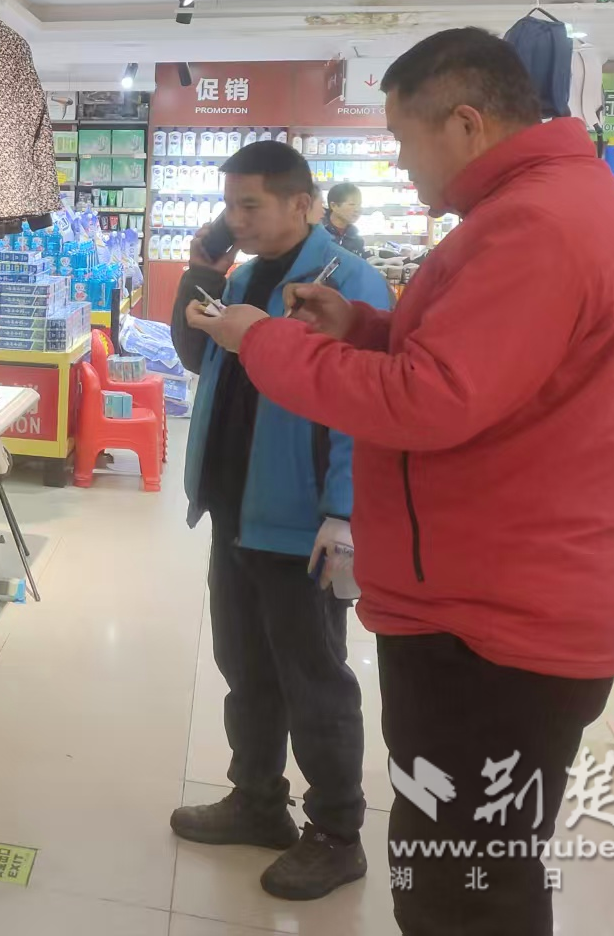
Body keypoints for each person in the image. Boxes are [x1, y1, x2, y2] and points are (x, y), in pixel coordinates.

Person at [188, 28, 614, 936]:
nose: (401, 166)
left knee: (464, 893)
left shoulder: (535, 225)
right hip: (482, 599)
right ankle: (261, 796)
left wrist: (268, 341)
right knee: (459, 874)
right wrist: (367, 330)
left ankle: (329, 826)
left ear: (468, 123)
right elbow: (481, 372)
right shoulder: (536, 210)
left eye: (405, 139)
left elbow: (428, 400)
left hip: (495, 624)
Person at [168, 140, 391, 901]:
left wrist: (345, 511)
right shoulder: (243, 275)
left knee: (314, 677)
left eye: (250, 205)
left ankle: (336, 832)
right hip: (235, 505)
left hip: (301, 520)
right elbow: (196, 358)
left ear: (302, 203)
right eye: (229, 204)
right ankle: (258, 798)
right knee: (245, 664)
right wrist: (201, 271)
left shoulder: (348, 284)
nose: (237, 219)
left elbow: (363, 408)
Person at [324, 182, 365, 256]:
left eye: (359, 204)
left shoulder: (357, 240)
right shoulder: (318, 232)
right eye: (352, 204)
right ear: (334, 206)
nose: (357, 209)